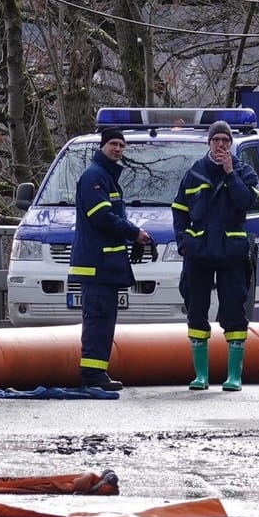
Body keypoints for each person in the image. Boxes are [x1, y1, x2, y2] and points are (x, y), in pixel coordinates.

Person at [171, 119, 259, 391]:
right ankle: (201, 376)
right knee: (196, 309)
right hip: (199, 253)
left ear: (231, 144)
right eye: (217, 140)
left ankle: (233, 376)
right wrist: (184, 241)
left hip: (231, 253)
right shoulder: (194, 173)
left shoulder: (245, 172)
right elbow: (179, 209)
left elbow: (245, 201)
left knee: (234, 309)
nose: (222, 145)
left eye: (226, 141)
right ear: (209, 143)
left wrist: (230, 173)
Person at [70, 126, 152, 391]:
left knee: (103, 321)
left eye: (121, 145)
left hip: (105, 266)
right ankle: (92, 376)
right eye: (112, 144)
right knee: (98, 320)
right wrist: (134, 233)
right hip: (96, 266)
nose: (117, 149)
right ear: (102, 147)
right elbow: (101, 217)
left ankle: (97, 373)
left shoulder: (106, 176)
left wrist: (133, 237)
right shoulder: (95, 177)